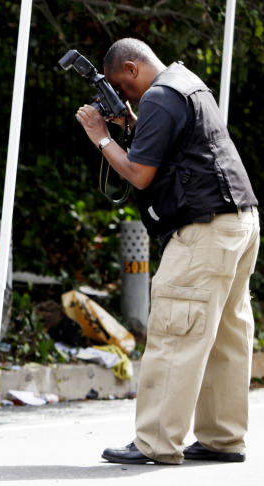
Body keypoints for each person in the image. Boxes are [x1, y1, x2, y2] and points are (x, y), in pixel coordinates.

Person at [75, 38, 259, 464]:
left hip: (204, 228)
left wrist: (101, 137)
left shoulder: (158, 94)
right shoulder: (185, 82)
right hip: (240, 220)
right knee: (225, 336)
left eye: (124, 88)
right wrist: (129, 124)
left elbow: (139, 175)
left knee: (176, 331)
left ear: (133, 68)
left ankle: (156, 441)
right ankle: (222, 437)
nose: (124, 97)